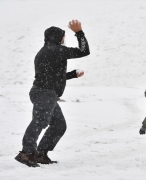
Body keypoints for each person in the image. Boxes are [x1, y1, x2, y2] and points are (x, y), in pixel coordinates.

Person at [15, 20, 90, 167]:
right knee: (40, 121)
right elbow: (84, 51)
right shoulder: (55, 50)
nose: (64, 39)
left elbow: (52, 76)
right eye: (63, 36)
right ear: (56, 37)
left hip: (45, 93)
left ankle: (41, 153)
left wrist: (72, 74)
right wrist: (79, 33)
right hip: (45, 93)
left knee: (58, 125)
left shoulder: (46, 51)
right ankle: (26, 153)